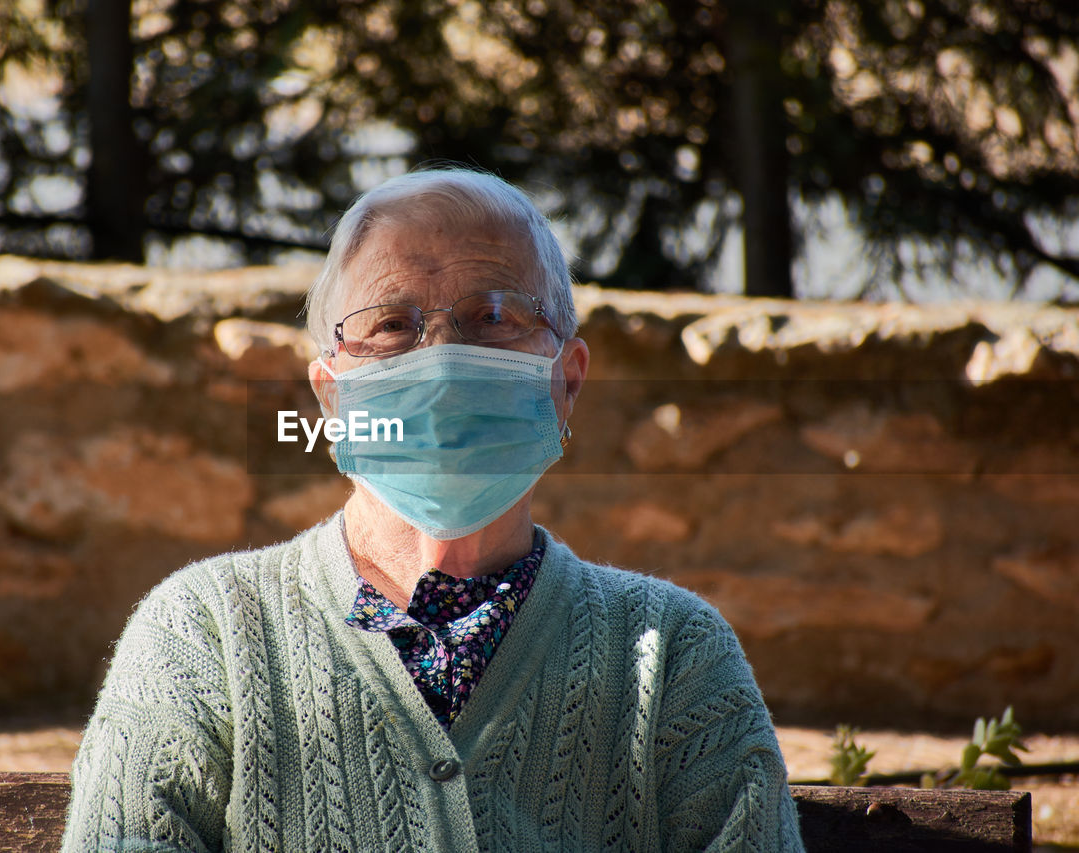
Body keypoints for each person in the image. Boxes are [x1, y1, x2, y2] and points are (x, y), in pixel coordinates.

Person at [62, 167, 805, 851]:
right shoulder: (207, 631)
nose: (443, 367)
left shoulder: (668, 653)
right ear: (331, 397)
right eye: (391, 326)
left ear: (566, 381)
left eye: (493, 316)